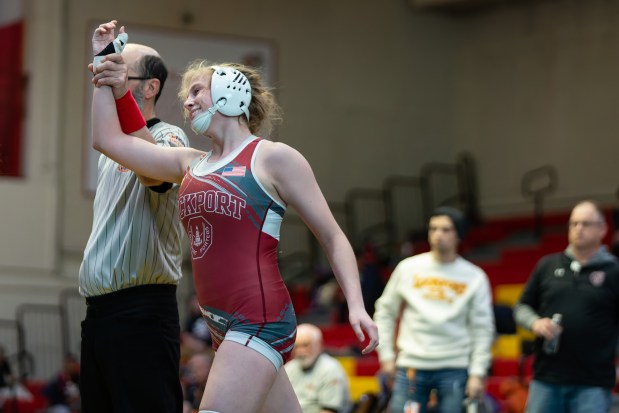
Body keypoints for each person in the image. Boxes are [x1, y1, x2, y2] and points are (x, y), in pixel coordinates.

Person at [90, 20, 378, 413]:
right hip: (222, 327)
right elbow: (107, 140)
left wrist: (357, 306)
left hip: (258, 319)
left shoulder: (273, 157)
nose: (187, 102)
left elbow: (332, 236)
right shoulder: (189, 163)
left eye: (196, 91)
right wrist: (104, 67)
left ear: (230, 91)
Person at [79, 36, 189, 413]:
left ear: (149, 86)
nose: (112, 77)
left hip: (142, 313)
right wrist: (101, 58)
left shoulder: (168, 137)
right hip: (99, 314)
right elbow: (102, 134)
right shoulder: (112, 148)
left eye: (122, 71)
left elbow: (157, 177)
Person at [373, 207, 495, 413]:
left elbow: (483, 329)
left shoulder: (474, 276)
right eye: (433, 228)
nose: (438, 234)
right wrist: (385, 355)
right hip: (411, 366)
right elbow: (384, 312)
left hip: (455, 368)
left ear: (459, 235)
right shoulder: (407, 268)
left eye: (446, 229)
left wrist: (477, 372)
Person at [514, 200, 619, 413]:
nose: (579, 229)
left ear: (602, 228)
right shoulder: (547, 265)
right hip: (546, 378)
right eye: (574, 224)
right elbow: (521, 307)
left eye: (586, 223)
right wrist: (535, 323)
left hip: (593, 382)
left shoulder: (614, 271)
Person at [284, 324, 351, 413]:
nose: (300, 351)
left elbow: (329, 411)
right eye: (296, 346)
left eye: (305, 345)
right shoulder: (289, 368)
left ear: (319, 345)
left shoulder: (330, 369)